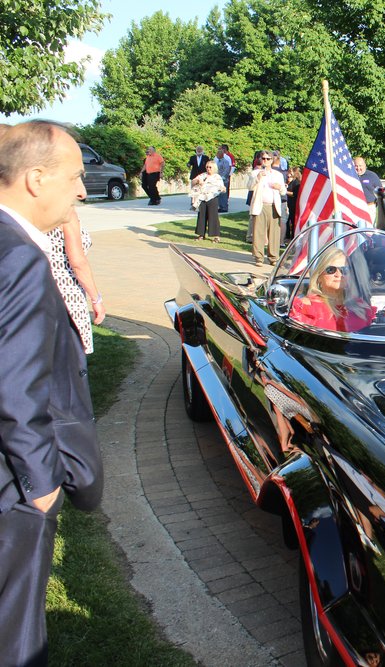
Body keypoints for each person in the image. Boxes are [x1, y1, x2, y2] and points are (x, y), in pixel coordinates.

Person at [0, 120, 104, 667]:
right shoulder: (18, 256)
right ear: (36, 179)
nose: (83, 190)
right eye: (75, 176)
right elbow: (15, 386)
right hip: (13, 486)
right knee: (16, 633)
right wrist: (40, 486)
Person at [45, 208, 106, 354]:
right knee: (70, 356)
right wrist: (96, 299)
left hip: (43, 286)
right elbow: (78, 262)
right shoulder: (65, 212)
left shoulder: (32, 209)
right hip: (67, 291)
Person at [290, 247, 376, 332]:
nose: (339, 274)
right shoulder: (306, 307)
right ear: (319, 276)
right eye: (331, 270)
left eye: (344, 270)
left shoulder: (360, 307)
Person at [248, 150, 287, 266]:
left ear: (272, 160)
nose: (265, 161)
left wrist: (279, 187)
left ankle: (273, 257)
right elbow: (250, 187)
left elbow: (283, 191)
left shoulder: (278, 175)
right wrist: (257, 178)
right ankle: (259, 257)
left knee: (274, 233)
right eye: (263, 158)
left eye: (268, 159)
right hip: (260, 205)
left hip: (273, 206)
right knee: (258, 232)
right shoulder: (256, 173)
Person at [191, 160, 226, 242]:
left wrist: (222, 189)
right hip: (202, 197)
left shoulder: (217, 177)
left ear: (214, 168)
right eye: (207, 167)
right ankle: (201, 234)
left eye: (210, 167)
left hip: (212, 198)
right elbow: (193, 181)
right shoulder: (203, 175)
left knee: (213, 216)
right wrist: (197, 181)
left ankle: (216, 236)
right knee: (202, 216)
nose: (208, 169)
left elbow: (222, 188)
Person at [285, 166, 302, 240]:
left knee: (292, 219)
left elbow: (294, 193)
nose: (289, 174)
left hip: (293, 203)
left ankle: (293, 236)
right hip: (289, 202)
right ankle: (287, 234)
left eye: (290, 172)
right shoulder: (291, 181)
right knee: (288, 219)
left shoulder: (297, 182)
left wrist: (285, 191)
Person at [214, 146, 233, 213]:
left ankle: (224, 207)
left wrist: (222, 177)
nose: (216, 155)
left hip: (223, 180)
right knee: (219, 194)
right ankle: (220, 206)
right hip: (218, 180)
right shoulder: (218, 161)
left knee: (223, 194)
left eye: (217, 154)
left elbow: (226, 170)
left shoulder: (225, 162)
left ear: (221, 155)